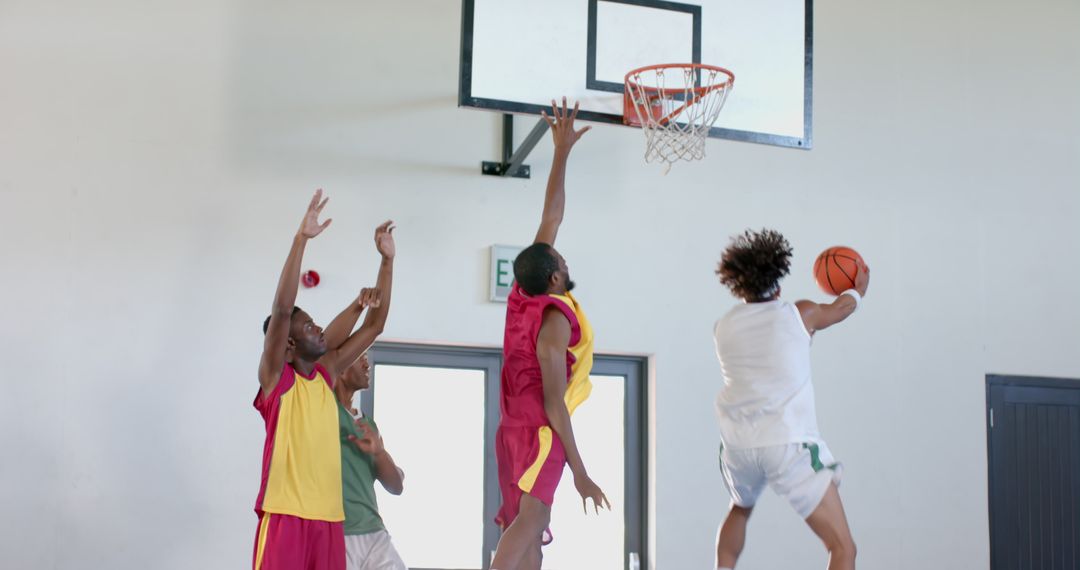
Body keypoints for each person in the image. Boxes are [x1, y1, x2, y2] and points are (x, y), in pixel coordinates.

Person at [490, 98, 610, 570]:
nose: (563, 258)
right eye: (561, 261)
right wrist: (580, 471)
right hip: (540, 428)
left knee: (529, 530)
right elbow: (555, 402)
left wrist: (560, 152)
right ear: (556, 277)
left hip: (511, 427)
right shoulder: (556, 321)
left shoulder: (523, 292)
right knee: (530, 520)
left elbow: (551, 216)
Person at [711, 229, 869, 570]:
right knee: (843, 548)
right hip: (786, 443)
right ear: (778, 283)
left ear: (737, 284)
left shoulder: (722, 327)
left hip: (737, 447)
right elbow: (841, 308)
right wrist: (858, 288)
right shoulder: (800, 314)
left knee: (739, 507)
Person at [252, 190, 389, 570]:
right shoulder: (277, 382)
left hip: (330, 520)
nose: (319, 329)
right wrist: (301, 240)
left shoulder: (324, 377)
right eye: (310, 326)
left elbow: (375, 325)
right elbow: (281, 310)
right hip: (285, 516)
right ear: (290, 343)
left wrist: (387, 262)